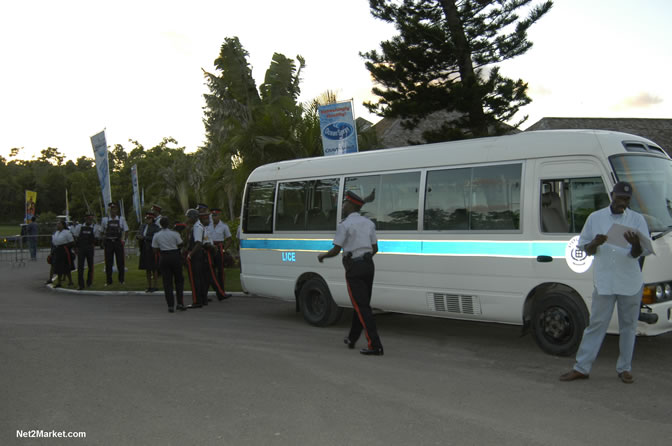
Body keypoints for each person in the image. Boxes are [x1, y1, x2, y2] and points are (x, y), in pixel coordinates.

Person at [560, 181, 652, 384]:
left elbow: (639, 253)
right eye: (620, 198)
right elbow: (585, 248)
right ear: (612, 195)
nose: (623, 202)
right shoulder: (596, 218)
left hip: (629, 282)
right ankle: (581, 368)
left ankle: (624, 369)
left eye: (627, 199)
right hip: (605, 282)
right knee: (596, 324)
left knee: (628, 326)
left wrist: (635, 244)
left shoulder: (637, 220)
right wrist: (595, 243)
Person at [318, 190, 383, 356]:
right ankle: (353, 338)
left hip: (354, 268)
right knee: (360, 304)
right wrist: (364, 257)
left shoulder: (345, 224)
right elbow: (375, 248)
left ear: (352, 205)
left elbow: (336, 249)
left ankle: (375, 345)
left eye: (345, 203)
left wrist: (323, 256)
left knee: (361, 306)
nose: (343, 206)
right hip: (369, 266)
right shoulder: (369, 223)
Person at [152, 217, 187, 313]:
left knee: (167, 282)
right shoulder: (174, 234)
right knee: (179, 280)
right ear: (169, 224)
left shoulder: (157, 235)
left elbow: (154, 249)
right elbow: (181, 244)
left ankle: (170, 305)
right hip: (175, 256)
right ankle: (180, 303)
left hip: (164, 257)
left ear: (160, 224)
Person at [184, 208, 209, 308]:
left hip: (196, 255)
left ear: (193, 217)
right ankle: (202, 299)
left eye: (189, 217)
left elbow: (198, 243)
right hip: (198, 254)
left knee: (195, 279)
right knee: (199, 278)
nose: (188, 219)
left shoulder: (197, 227)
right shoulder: (195, 226)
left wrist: (190, 254)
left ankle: (197, 300)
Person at [207, 208, 233, 300]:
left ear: (219, 216)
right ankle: (217, 291)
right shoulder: (208, 226)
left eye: (216, 215)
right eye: (213, 215)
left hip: (219, 247)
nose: (214, 217)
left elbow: (229, 239)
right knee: (210, 270)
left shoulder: (224, 226)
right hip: (209, 248)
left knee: (220, 271)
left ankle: (221, 291)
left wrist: (224, 250)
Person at [101, 202, 129, 285]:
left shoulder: (121, 219)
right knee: (108, 262)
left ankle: (121, 280)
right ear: (109, 210)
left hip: (118, 242)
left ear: (117, 210)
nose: (113, 211)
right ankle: (109, 281)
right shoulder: (105, 219)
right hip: (109, 242)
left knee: (120, 262)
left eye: (114, 209)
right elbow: (102, 231)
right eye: (111, 209)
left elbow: (126, 230)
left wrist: (124, 240)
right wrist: (103, 241)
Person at [72, 213, 99, 290]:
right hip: (81, 249)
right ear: (85, 219)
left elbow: (96, 238)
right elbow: (75, 237)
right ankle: (81, 284)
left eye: (90, 218)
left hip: (90, 248)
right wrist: (75, 248)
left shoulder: (94, 227)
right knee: (80, 267)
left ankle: (89, 283)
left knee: (91, 266)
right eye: (87, 218)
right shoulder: (79, 227)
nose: (89, 220)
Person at [137, 212, 160, 292]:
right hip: (144, 249)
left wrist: (145, 238)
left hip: (152, 249)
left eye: (149, 218)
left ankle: (155, 285)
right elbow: (138, 233)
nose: (147, 220)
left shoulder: (156, 227)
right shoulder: (143, 226)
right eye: (146, 218)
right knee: (147, 268)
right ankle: (149, 285)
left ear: (152, 219)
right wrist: (139, 237)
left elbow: (156, 236)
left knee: (154, 268)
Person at [51, 220, 75, 288]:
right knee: (58, 266)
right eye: (57, 224)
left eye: (59, 224)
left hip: (64, 250)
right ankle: (59, 282)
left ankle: (70, 281)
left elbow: (72, 242)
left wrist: (65, 246)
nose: (57, 225)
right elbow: (54, 242)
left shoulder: (67, 232)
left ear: (63, 225)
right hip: (57, 250)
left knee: (66, 266)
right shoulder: (56, 232)